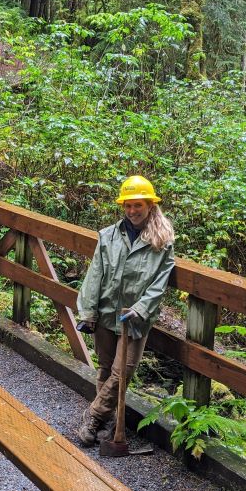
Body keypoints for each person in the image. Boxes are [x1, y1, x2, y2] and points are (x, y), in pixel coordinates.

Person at [74, 175, 175, 446]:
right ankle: (109, 424)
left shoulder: (162, 242)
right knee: (106, 368)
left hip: (135, 318)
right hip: (106, 311)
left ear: (150, 205)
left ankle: (93, 416)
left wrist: (142, 308)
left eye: (137, 205)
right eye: (128, 206)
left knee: (122, 372)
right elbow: (95, 274)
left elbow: (159, 282)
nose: (132, 211)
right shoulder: (108, 235)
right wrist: (87, 312)